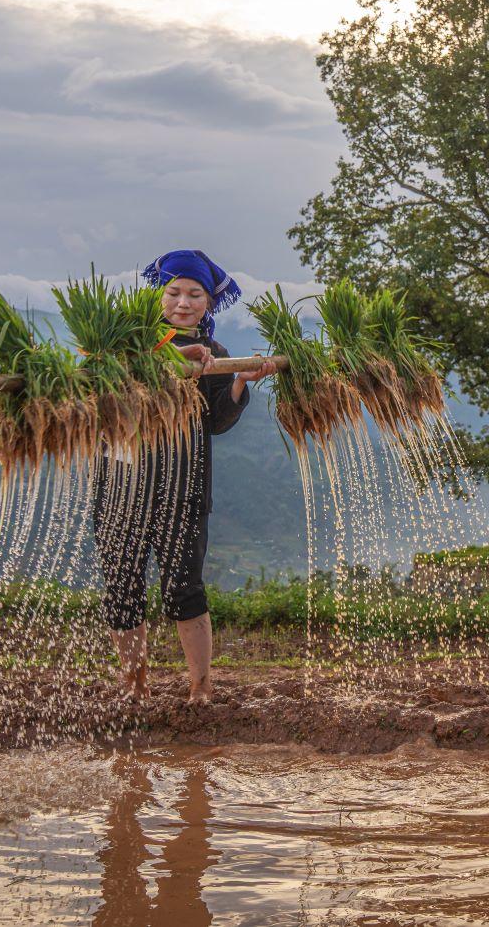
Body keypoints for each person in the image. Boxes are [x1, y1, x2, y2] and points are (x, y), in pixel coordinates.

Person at [92, 248, 277, 703]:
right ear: (158, 295)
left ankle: (200, 685)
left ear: (208, 303)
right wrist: (170, 359)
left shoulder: (214, 354)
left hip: (183, 490)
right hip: (121, 488)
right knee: (121, 588)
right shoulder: (126, 345)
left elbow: (216, 421)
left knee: (183, 589)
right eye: (173, 291)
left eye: (194, 294)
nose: (183, 302)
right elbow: (101, 382)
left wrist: (237, 382)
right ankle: (133, 683)